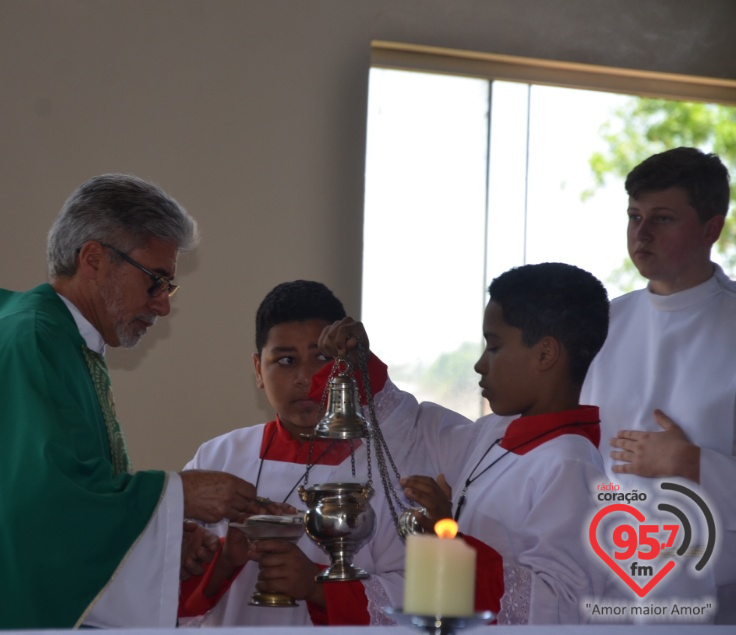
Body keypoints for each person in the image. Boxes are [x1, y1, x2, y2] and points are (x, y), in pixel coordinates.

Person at [0, 174, 258, 631]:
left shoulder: (60, 343)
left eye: (168, 287)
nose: (162, 305)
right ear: (94, 259)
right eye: (156, 281)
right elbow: (42, 508)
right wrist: (179, 495)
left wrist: (157, 535)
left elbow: (69, 501)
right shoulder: (30, 343)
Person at [178, 280, 472, 626]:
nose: (305, 378)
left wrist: (318, 588)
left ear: (345, 364)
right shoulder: (218, 458)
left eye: (322, 358)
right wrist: (224, 560)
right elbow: (173, 596)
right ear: (258, 370)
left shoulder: (392, 465)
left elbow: (427, 594)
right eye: (285, 360)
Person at [400, 262, 611, 624]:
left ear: (545, 354)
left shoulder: (570, 465)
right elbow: (421, 430)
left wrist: (453, 543)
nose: (480, 365)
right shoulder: (495, 431)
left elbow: (562, 604)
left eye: (493, 347)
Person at [581, 147, 736, 623]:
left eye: (662, 218)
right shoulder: (601, 323)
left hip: (712, 589)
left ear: (711, 228)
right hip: (598, 579)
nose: (640, 233)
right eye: (634, 216)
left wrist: (692, 464)